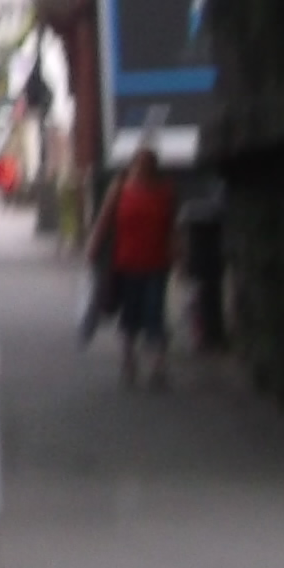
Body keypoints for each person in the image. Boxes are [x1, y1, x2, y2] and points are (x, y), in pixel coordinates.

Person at [101, 140, 180, 389]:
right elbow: (105, 219)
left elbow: (173, 227)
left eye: (148, 164)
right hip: (126, 263)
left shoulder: (165, 191)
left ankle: (157, 365)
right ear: (133, 165)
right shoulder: (120, 189)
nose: (143, 168)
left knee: (155, 313)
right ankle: (129, 360)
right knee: (130, 314)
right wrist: (93, 249)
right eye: (139, 163)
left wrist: (179, 254)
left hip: (157, 263)